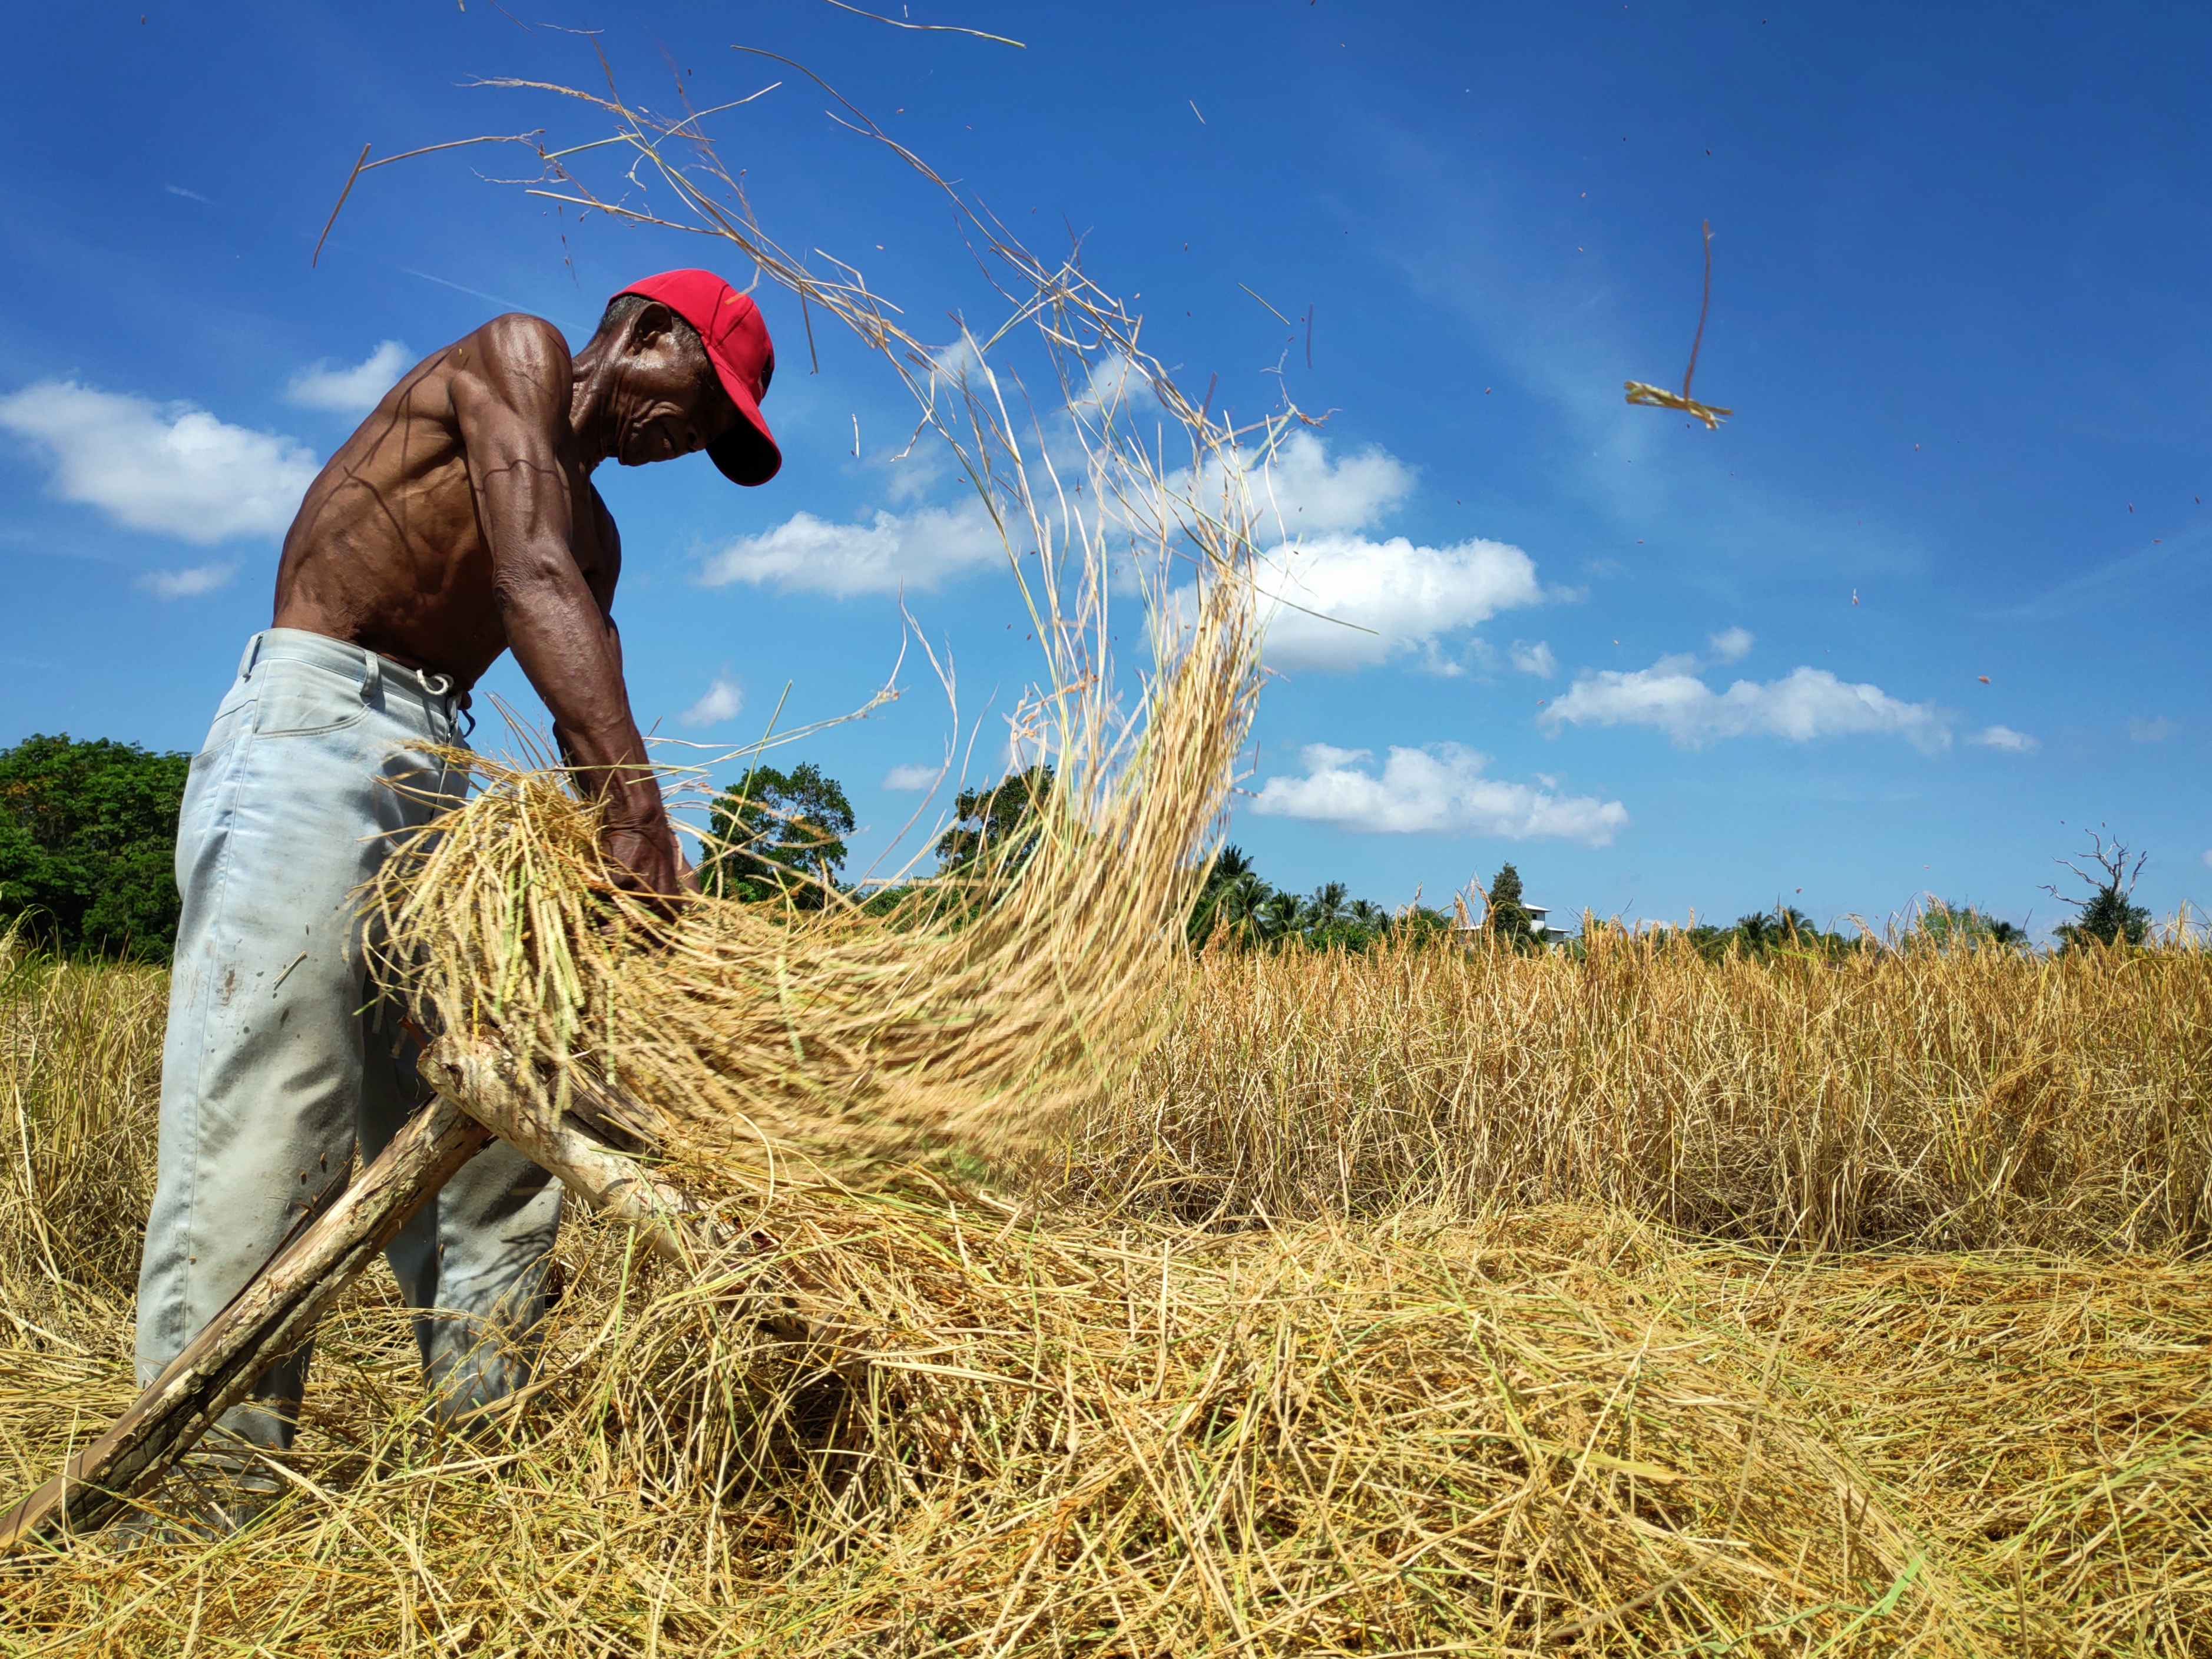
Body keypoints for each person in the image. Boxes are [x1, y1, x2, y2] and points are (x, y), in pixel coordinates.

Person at [130, 269, 779, 1533]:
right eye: (707, 404)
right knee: (276, 1112)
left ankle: (480, 1463)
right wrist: (633, 811)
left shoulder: (605, 535)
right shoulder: (515, 354)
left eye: (719, 439)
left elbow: (576, 643)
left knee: (499, 1110)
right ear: (649, 332)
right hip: (321, 729)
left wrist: (624, 882)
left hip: (446, 779)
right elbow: (526, 573)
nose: (694, 441)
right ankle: (202, 1501)